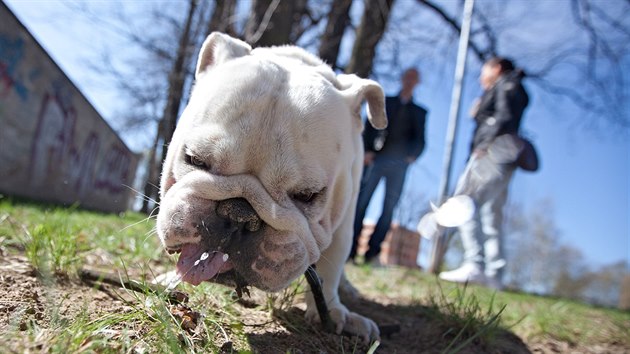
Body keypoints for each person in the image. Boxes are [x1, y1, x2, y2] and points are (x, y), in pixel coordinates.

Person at [437, 57, 530, 289]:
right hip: (505, 154)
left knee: (465, 203)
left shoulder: (505, 85)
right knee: (492, 214)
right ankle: (494, 275)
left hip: (492, 152)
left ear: (497, 68)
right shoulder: (510, 87)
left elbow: (504, 118)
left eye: (484, 71)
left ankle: (474, 264)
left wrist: (485, 144)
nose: (480, 77)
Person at [348, 68, 428, 265]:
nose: (409, 81)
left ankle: (372, 254)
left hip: (399, 165)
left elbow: (420, 140)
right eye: (407, 76)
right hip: (377, 159)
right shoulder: (385, 102)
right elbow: (369, 127)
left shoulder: (419, 112)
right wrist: (365, 150)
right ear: (402, 78)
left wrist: (412, 156)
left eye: (413, 78)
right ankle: (349, 251)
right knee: (361, 203)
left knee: (388, 209)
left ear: (417, 82)